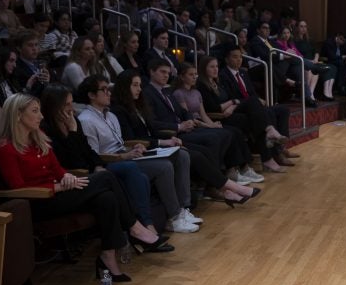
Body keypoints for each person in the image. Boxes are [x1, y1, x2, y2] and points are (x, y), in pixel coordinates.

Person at [0, 93, 172, 281]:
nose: (41, 116)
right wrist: (57, 187)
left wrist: (67, 176)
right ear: (18, 115)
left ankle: (108, 259)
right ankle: (134, 227)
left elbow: (58, 170)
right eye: (35, 111)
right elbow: (18, 187)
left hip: (58, 193)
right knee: (105, 178)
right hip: (39, 203)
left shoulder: (39, 139)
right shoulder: (5, 148)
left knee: (106, 199)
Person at [40, 83, 180, 238]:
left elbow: (89, 151)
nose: (71, 108)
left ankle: (146, 225)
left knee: (139, 176)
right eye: (66, 104)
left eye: (71, 102)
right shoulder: (47, 130)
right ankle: (142, 228)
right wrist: (73, 133)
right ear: (54, 106)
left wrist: (98, 165)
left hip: (94, 168)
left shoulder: (74, 121)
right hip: (76, 176)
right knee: (129, 171)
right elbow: (73, 162)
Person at [109, 70, 259, 207]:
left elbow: (153, 128)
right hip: (143, 149)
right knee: (196, 155)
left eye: (139, 85)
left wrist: (170, 139)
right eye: (135, 85)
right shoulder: (119, 110)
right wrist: (165, 141)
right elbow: (133, 138)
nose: (139, 89)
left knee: (204, 151)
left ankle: (222, 189)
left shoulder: (138, 105)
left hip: (157, 142)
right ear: (124, 87)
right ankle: (231, 188)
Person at [75, 76, 201, 233]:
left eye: (109, 89)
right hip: (112, 162)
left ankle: (183, 208)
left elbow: (121, 143)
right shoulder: (86, 120)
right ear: (91, 95)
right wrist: (124, 155)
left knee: (181, 155)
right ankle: (174, 217)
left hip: (124, 154)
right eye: (104, 90)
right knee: (164, 167)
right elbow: (94, 155)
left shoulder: (111, 115)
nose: (108, 93)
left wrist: (134, 147)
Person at [173, 61, 263, 184]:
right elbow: (187, 117)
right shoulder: (178, 93)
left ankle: (242, 168)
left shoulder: (196, 92)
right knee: (225, 133)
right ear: (182, 77)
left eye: (195, 74)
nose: (194, 77)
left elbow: (203, 115)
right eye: (190, 74)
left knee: (234, 131)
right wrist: (211, 126)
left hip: (202, 122)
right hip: (192, 125)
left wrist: (213, 125)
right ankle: (228, 172)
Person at [197, 54, 286, 173]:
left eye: (217, 66)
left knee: (255, 113)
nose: (215, 69)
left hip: (230, 111)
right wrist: (232, 102)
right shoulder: (201, 86)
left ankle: (268, 155)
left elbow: (230, 99)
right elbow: (215, 107)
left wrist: (233, 104)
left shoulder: (217, 82)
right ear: (204, 69)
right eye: (211, 67)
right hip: (220, 118)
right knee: (254, 114)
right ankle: (268, 144)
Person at [220, 44, 296, 165]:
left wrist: (257, 100)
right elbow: (231, 97)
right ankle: (275, 154)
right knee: (267, 113)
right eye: (235, 57)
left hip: (253, 105)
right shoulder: (223, 75)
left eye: (240, 57)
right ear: (226, 59)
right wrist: (252, 101)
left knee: (283, 110)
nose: (239, 60)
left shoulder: (244, 73)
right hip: (240, 109)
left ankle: (281, 148)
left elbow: (252, 93)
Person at [294, 20, 337, 99]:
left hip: (314, 61)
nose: (304, 28)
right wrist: (310, 61)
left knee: (332, 67)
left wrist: (316, 58)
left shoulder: (310, 40)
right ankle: (309, 94)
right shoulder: (294, 41)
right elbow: (296, 54)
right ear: (297, 28)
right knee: (313, 70)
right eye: (301, 26)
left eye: (305, 26)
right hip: (303, 62)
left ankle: (326, 92)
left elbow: (316, 52)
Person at [10, 29, 51, 97]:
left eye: (36, 45)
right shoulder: (16, 68)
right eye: (30, 45)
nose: (34, 48)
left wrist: (47, 83)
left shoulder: (41, 63)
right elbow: (22, 98)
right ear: (19, 48)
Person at [320, 32, 346, 96]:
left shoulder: (343, 45)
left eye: (344, 41)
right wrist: (344, 57)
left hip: (338, 60)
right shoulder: (329, 43)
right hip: (328, 60)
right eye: (341, 39)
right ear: (338, 36)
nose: (342, 41)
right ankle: (340, 87)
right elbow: (331, 56)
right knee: (341, 64)